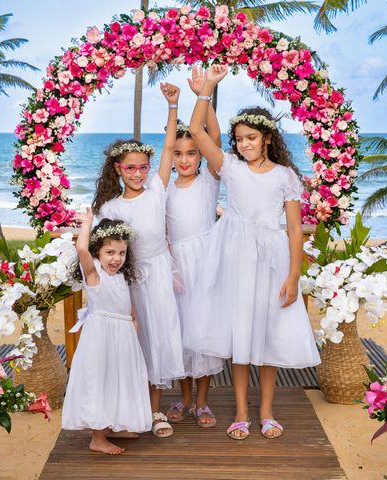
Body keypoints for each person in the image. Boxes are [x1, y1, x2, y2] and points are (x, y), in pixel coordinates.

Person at [187, 64, 321, 441]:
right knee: (241, 336)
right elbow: (197, 131)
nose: (244, 144)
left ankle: (267, 411)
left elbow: (294, 228)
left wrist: (294, 275)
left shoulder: (285, 176)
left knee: (268, 336)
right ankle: (242, 412)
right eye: (239, 138)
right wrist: (205, 92)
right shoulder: (228, 167)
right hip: (234, 258)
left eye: (251, 138)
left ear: (266, 139)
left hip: (272, 260)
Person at [92, 82, 185, 438]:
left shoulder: (158, 189)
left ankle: (154, 410)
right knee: (130, 344)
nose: (137, 173)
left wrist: (172, 106)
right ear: (118, 169)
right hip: (126, 282)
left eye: (142, 167)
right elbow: (103, 252)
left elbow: (168, 148)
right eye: (130, 168)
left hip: (158, 274)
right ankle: (125, 412)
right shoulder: (109, 208)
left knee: (157, 341)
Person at [62, 210, 152, 454]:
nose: (116, 259)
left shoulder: (120, 276)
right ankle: (97, 438)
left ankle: (112, 426)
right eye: (110, 252)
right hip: (101, 338)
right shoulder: (94, 275)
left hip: (122, 338)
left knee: (117, 381)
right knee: (100, 381)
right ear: (97, 253)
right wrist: (88, 225)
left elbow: (127, 304)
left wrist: (133, 323)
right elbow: (81, 249)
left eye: (121, 253)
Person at [164, 66, 224, 428]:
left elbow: (210, 133)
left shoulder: (208, 182)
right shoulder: (166, 188)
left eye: (192, 153)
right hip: (177, 268)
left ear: (200, 156)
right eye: (179, 154)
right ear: (171, 157)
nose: (185, 159)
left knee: (206, 333)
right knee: (182, 334)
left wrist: (205, 94)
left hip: (207, 263)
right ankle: (184, 399)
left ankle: (203, 402)